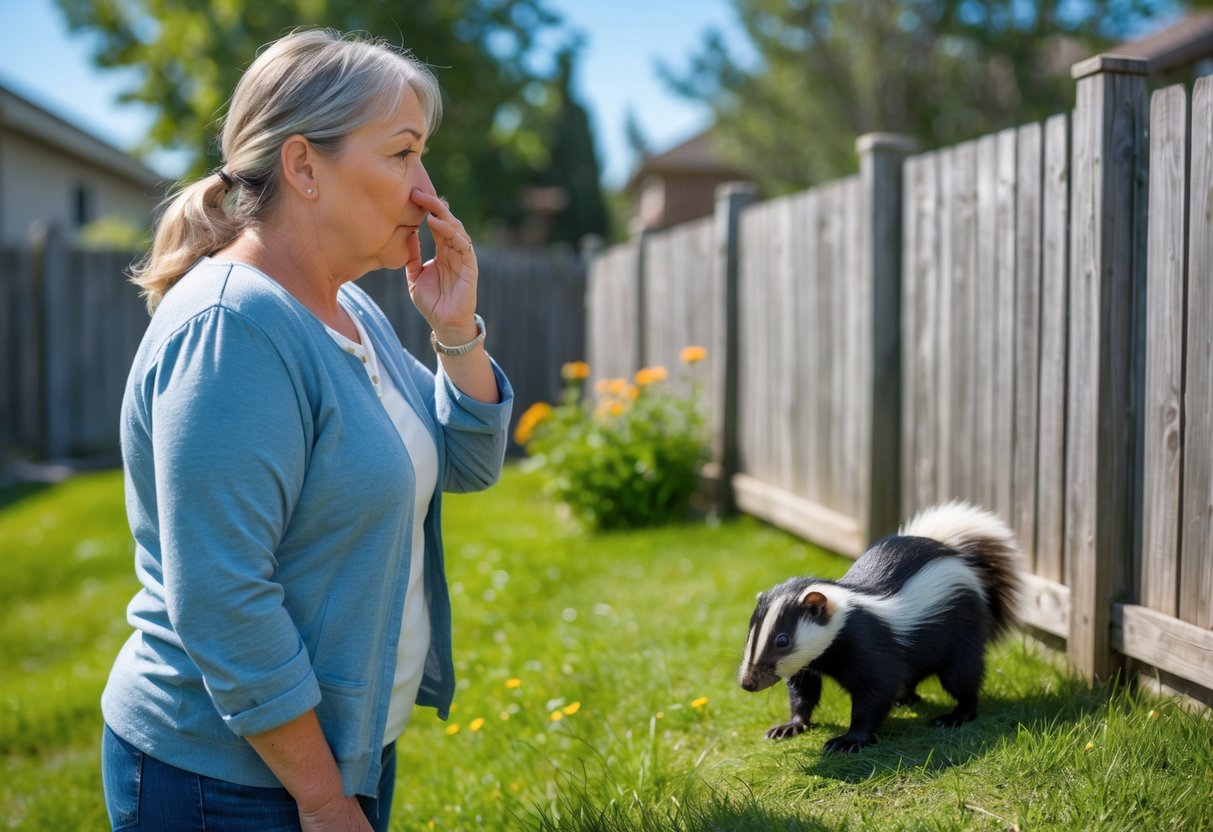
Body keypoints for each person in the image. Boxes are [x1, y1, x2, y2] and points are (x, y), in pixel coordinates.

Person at [99, 28, 513, 831]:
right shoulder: (232, 328)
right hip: (229, 779)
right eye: (401, 154)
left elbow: (463, 465)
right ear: (302, 167)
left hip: (336, 758)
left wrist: (456, 330)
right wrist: (323, 801)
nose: (426, 189)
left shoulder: (349, 307)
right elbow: (222, 599)